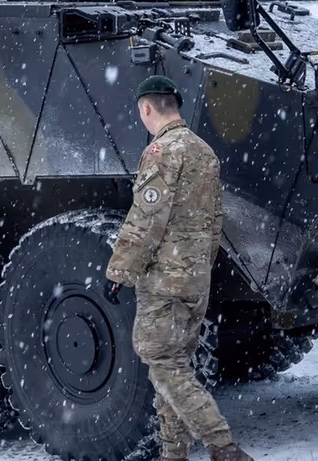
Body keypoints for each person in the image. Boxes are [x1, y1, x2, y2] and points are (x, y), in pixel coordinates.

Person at [104, 76, 253, 461]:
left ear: (146, 108)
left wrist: (120, 270)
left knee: (162, 361)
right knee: (172, 368)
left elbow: (146, 218)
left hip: (165, 281)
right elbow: (216, 219)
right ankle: (174, 454)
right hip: (195, 279)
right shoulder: (204, 152)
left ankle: (223, 446)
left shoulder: (161, 152)